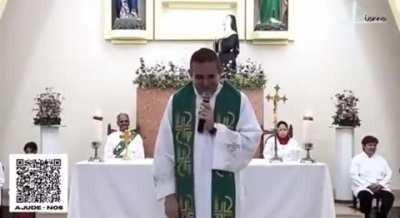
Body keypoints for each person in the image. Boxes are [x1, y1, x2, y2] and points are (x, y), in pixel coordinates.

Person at [153, 48, 261, 218]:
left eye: (211, 76)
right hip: (186, 195)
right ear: (190, 74)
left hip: (225, 192)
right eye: (199, 77)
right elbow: (165, 151)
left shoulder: (237, 100)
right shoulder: (178, 102)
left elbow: (250, 141)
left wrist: (215, 129)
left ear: (220, 72)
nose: (205, 83)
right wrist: (169, 195)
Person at [350, 135, 394, 218]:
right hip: (363, 187)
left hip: (380, 186)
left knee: (389, 197)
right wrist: (368, 185)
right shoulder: (357, 159)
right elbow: (353, 175)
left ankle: (382, 216)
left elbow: (389, 173)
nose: (372, 147)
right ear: (363, 146)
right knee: (365, 196)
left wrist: (381, 184)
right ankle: (365, 216)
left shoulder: (381, 159)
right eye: (370, 145)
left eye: (374, 145)